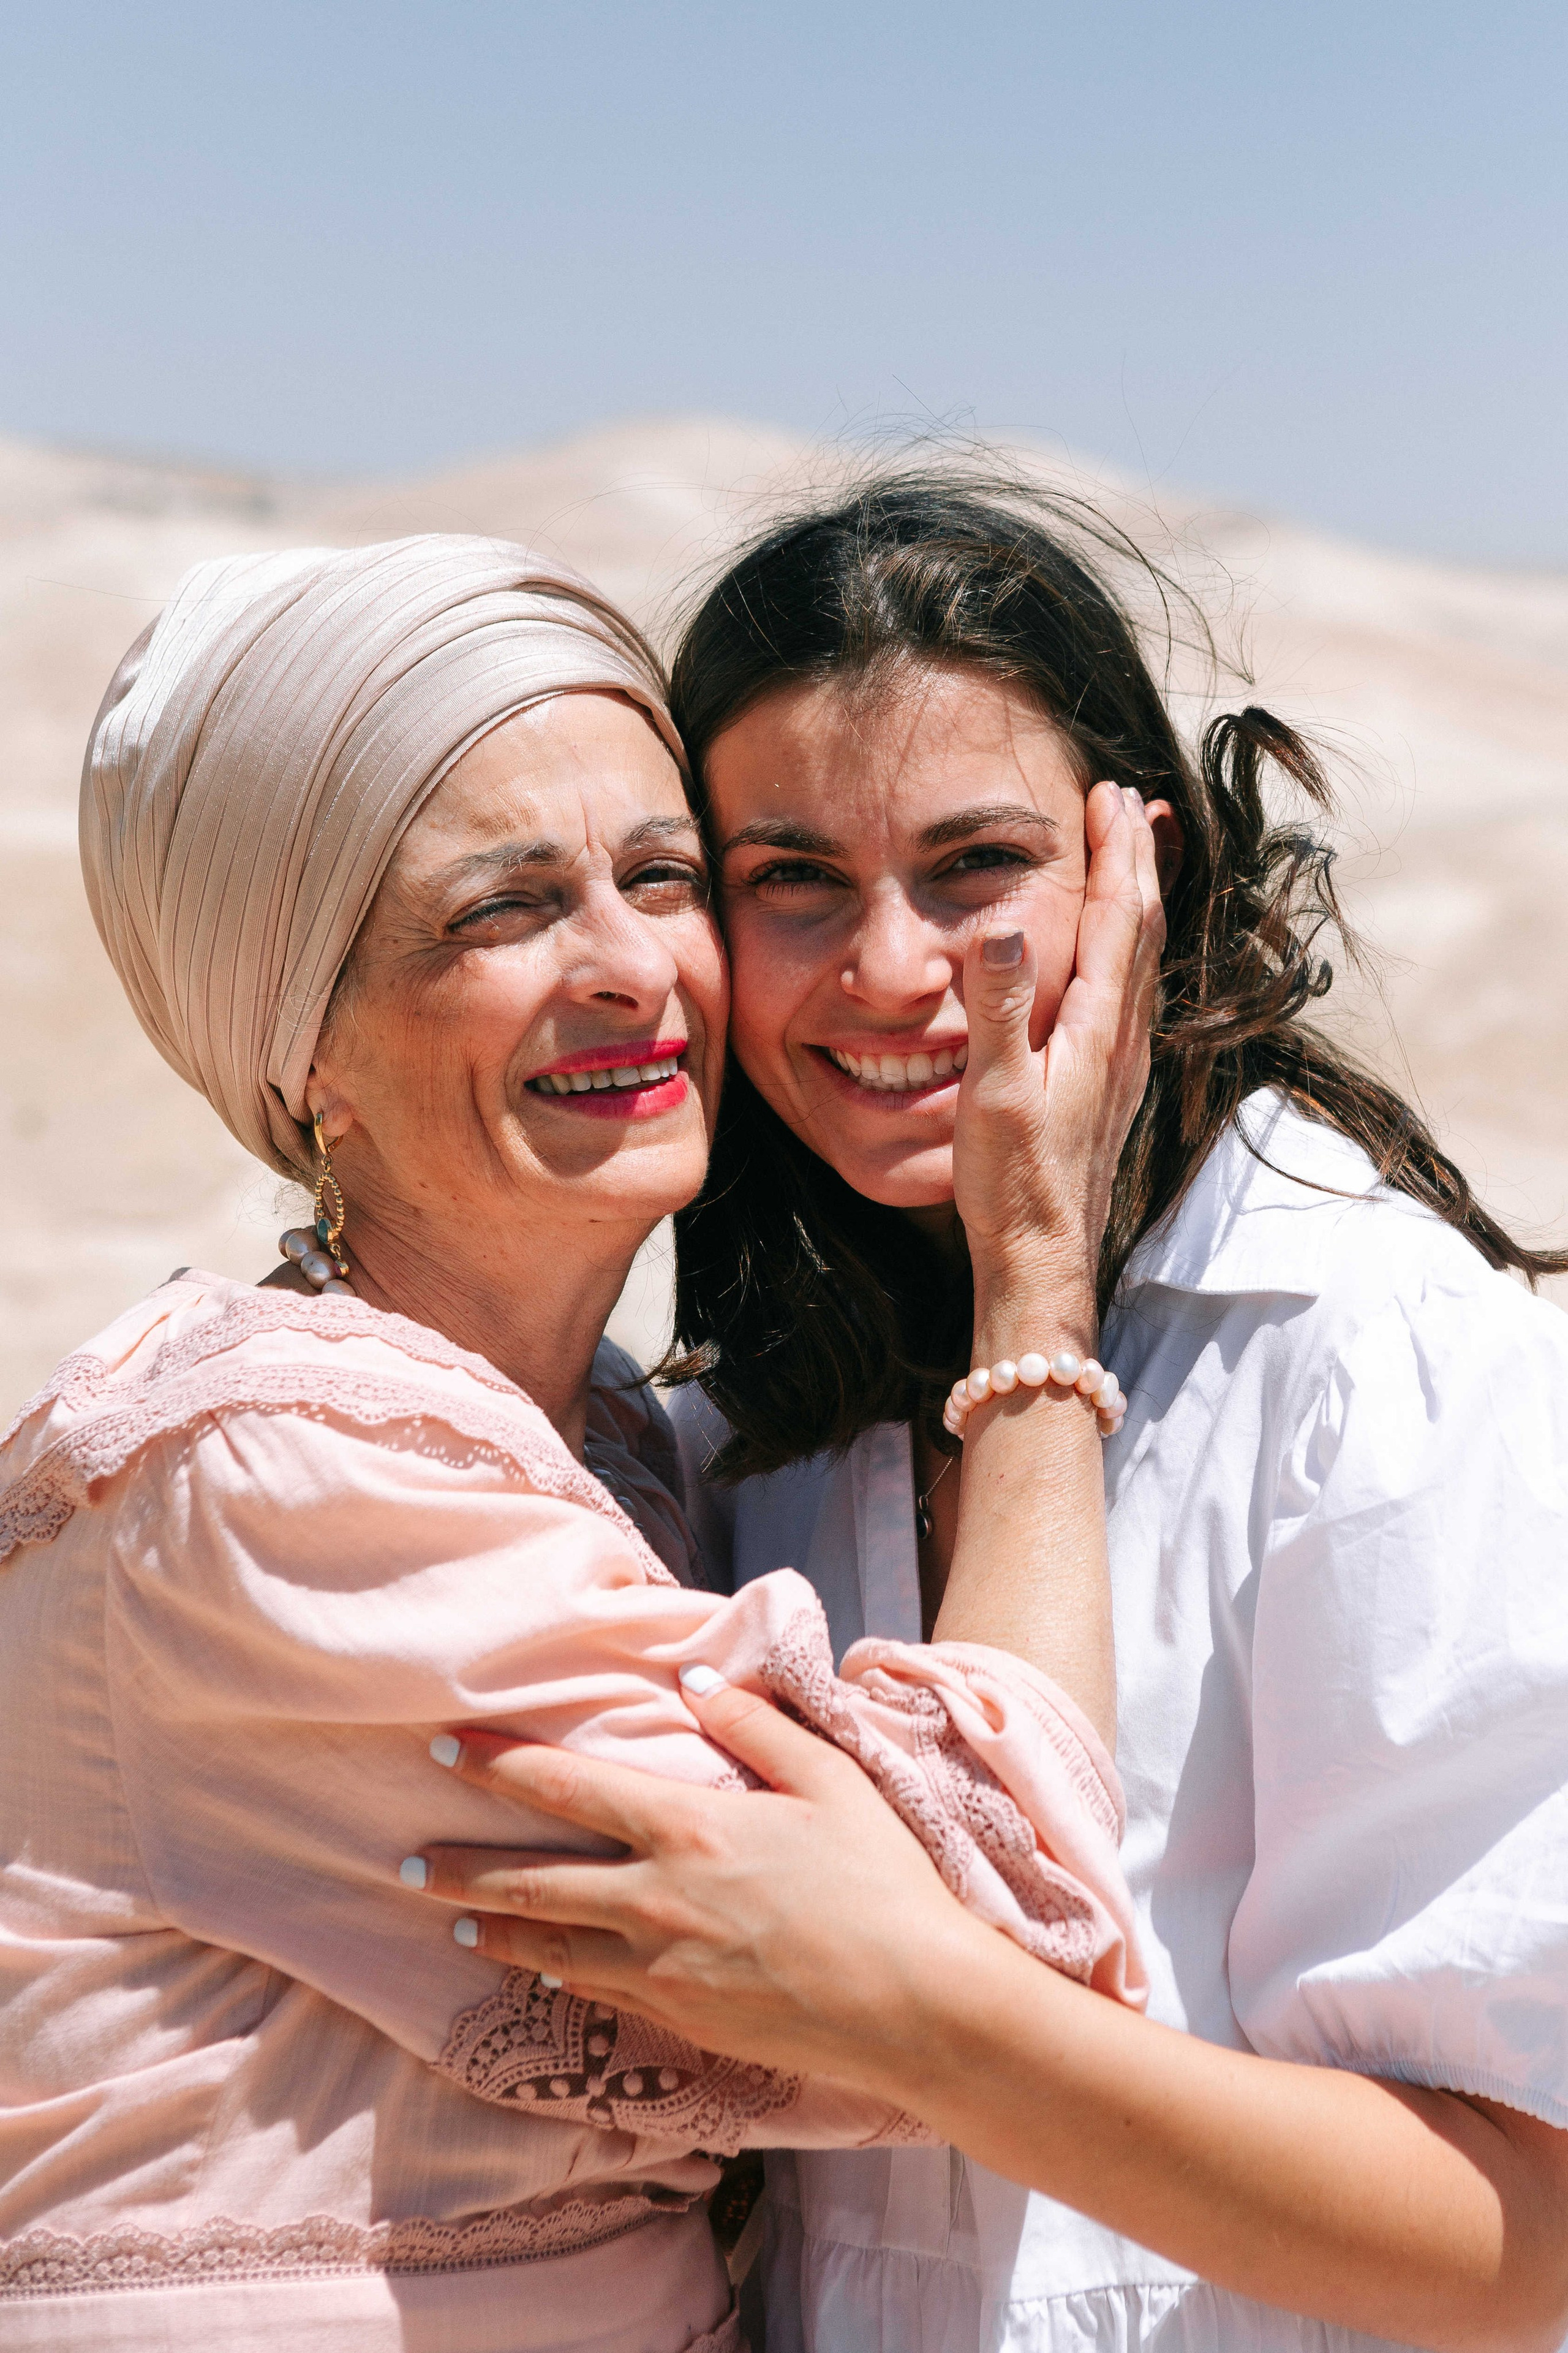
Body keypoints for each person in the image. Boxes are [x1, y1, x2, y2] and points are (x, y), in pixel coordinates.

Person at [417, 477, 1568, 2353]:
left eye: (973, 868)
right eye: (790, 880)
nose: (887, 971)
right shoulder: (756, 1429)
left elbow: (1522, 2241)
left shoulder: (1372, 1359)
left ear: (1146, 872)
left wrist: (914, 2007)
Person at [0, 532, 1155, 2353]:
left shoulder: (615, 1440)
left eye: (662, 875)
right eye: (506, 907)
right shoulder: (272, 1478)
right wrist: (1030, 1286)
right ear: (307, 1050)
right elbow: (983, 1942)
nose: (635, 967)